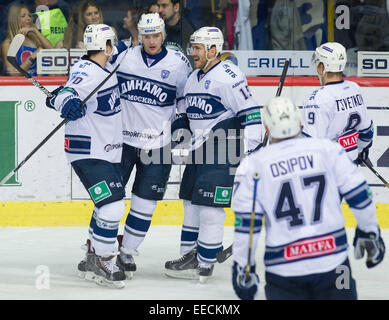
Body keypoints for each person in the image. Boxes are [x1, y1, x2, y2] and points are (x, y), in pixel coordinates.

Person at [231, 96, 385, 300]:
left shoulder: (253, 166)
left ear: (267, 130)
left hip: (284, 272)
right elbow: (360, 195)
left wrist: (244, 268)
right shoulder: (328, 151)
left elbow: (247, 226)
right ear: (300, 123)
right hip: (334, 264)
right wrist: (370, 231)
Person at [164, 26, 262, 283]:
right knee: (190, 202)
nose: (192, 53)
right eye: (192, 47)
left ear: (213, 50)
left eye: (198, 48)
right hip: (198, 149)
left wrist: (251, 149)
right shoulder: (194, 77)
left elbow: (250, 114)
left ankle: (206, 261)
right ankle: (189, 255)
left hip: (223, 147)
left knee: (210, 207)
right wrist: (180, 122)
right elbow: (184, 106)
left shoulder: (229, 76)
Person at [112, 13, 192, 280]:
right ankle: (97, 250)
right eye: (147, 36)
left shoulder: (179, 63)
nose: (152, 40)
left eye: (156, 35)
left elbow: (184, 98)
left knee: (144, 204)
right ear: (139, 35)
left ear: (163, 35)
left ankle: (126, 252)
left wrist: (182, 120)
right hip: (122, 141)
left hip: (158, 145)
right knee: (109, 200)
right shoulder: (123, 55)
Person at [51, 24, 126, 288]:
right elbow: (69, 92)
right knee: (113, 206)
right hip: (88, 150)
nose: (115, 47)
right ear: (106, 46)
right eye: (112, 44)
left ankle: (94, 254)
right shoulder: (88, 71)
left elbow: (63, 89)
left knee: (105, 206)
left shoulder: (106, 64)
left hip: (104, 149)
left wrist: (57, 97)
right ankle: (105, 259)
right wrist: (64, 103)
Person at [301, 42, 374, 165]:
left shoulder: (317, 99)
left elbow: (311, 146)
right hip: (350, 168)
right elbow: (367, 131)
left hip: (329, 171)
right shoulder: (354, 88)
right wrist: (359, 151)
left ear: (322, 67)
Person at [1, 3, 54, 76]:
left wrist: (36, 31)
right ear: (15, 20)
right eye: (23, 16)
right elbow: (14, 73)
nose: (28, 18)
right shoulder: (8, 44)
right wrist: (33, 56)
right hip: (26, 85)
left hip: (45, 82)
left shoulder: (35, 38)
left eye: (29, 15)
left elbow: (53, 52)